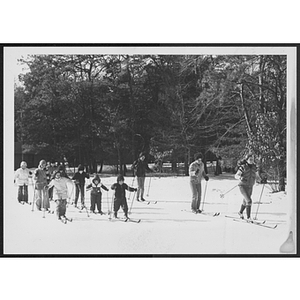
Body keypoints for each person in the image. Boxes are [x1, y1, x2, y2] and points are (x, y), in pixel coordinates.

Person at [235, 153, 262, 221]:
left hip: (250, 186)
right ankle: (248, 217)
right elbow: (236, 176)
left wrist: (261, 180)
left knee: (245, 201)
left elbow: (257, 176)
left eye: (252, 159)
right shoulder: (243, 167)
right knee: (249, 201)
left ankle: (240, 212)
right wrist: (241, 178)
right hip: (242, 186)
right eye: (250, 159)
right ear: (246, 160)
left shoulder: (254, 167)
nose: (251, 160)